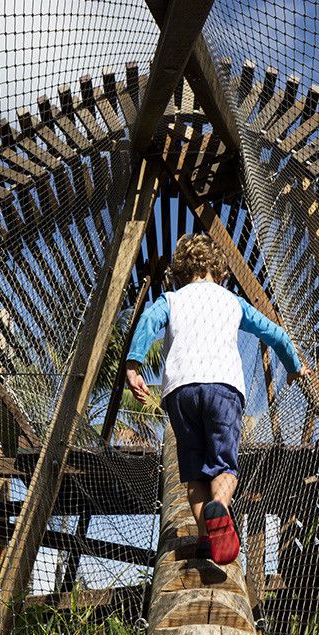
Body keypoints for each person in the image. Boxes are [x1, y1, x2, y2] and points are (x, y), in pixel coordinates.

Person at [126, 233, 305, 565]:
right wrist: (294, 366)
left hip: (180, 390)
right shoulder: (232, 301)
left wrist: (134, 363)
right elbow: (276, 334)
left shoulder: (171, 300)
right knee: (224, 465)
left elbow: (148, 323)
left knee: (194, 473)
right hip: (224, 388)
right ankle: (219, 507)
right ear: (220, 271)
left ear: (180, 273)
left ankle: (207, 540)